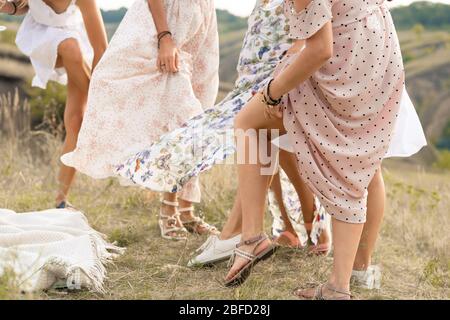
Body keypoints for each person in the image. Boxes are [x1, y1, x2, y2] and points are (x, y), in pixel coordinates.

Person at [224, 0, 406, 299]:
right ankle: (340, 285)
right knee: (356, 162)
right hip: (377, 51)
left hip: (342, 60)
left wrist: (272, 92)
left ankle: (252, 238)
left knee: (248, 122)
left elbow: (320, 49)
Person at [61, 0, 220, 240]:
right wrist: (164, 36)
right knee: (183, 115)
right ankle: (169, 210)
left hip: (203, 16)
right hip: (167, 19)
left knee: (201, 107)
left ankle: (186, 211)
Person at [0, 0, 108, 208]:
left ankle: (61, 199)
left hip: (77, 39)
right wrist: (8, 7)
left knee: (77, 120)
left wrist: (99, 92)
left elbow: (101, 48)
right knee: (70, 47)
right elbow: (22, 6)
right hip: (41, 36)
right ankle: (107, 117)